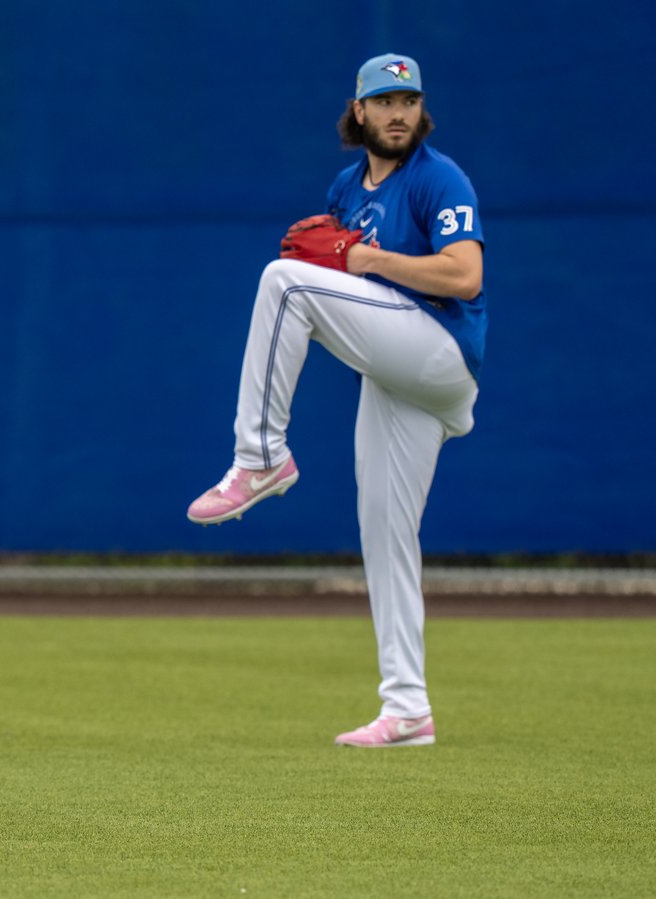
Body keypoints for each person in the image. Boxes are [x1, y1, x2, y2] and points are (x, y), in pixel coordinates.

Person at [186, 53, 487, 748]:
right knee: (384, 531)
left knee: (283, 281)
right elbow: (342, 294)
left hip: (441, 350)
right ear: (359, 112)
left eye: (408, 101)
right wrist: (345, 270)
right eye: (384, 101)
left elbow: (465, 276)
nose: (398, 113)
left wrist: (366, 260)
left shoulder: (439, 177)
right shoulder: (345, 190)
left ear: (421, 110)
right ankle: (407, 709)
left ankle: (259, 455)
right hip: (393, 375)